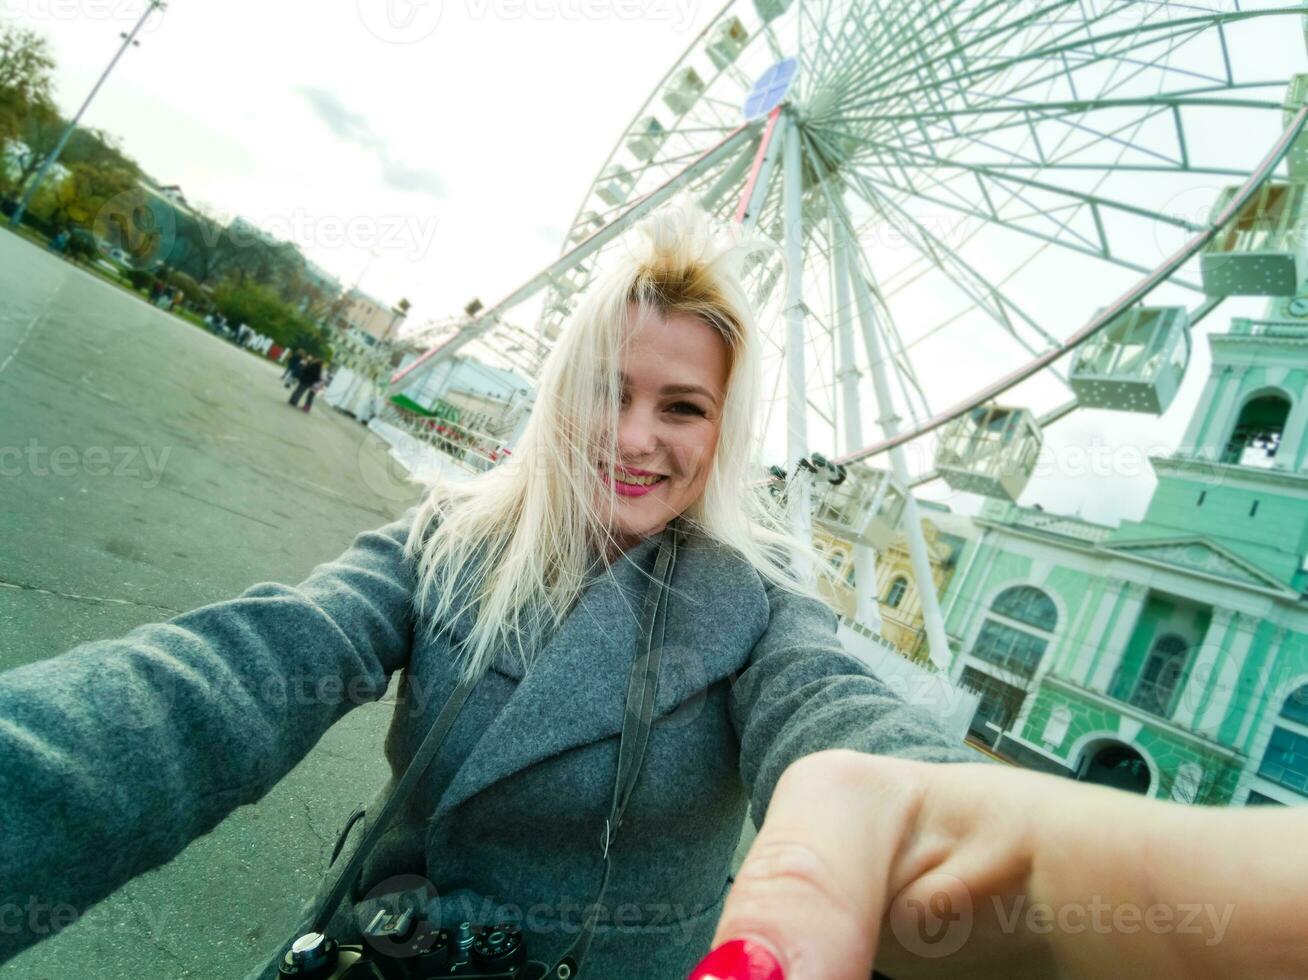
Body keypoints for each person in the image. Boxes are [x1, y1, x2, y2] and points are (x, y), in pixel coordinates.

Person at [0, 197, 1301, 980]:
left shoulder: (767, 622)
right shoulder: (438, 547)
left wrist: (999, 844)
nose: (635, 439)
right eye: (606, 393)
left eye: (682, 406)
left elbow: (868, 744)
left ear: (723, 431)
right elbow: (220, 681)